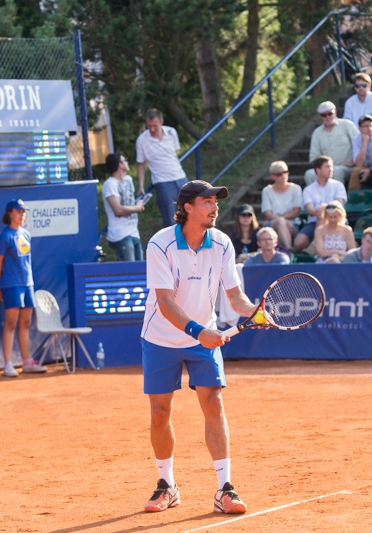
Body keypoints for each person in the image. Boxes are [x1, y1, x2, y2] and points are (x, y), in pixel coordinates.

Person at [141, 180, 256, 515]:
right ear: (187, 207)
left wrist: (251, 310)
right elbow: (165, 302)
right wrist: (199, 331)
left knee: (213, 405)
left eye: (215, 201)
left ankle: (225, 489)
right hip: (161, 338)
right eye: (207, 201)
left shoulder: (222, 243)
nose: (214, 206)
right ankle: (167, 485)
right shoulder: (160, 244)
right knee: (159, 413)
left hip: (202, 340)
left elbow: (234, 297)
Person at [0, 199, 48, 378]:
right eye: (19, 211)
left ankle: (27, 361)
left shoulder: (26, 234)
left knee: (25, 323)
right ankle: (8, 364)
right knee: (11, 323)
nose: (22, 214)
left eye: (23, 212)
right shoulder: (5, 237)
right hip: (11, 284)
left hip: (27, 284)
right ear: (10, 213)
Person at [136, 108, 188, 227]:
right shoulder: (142, 141)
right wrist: (141, 186)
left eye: (154, 126)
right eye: (149, 126)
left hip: (180, 177)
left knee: (189, 215)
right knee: (170, 220)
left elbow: (175, 153)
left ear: (161, 122)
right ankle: (172, 244)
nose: (152, 129)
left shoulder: (171, 132)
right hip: (162, 182)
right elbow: (140, 164)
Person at [294, 156, 348, 252]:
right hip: (313, 222)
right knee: (298, 243)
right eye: (327, 167)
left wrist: (325, 209)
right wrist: (316, 212)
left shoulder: (338, 185)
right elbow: (309, 208)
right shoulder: (308, 189)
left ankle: (313, 247)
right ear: (318, 170)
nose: (331, 169)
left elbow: (339, 204)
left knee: (325, 212)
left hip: (336, 221)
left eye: (331, 167)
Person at [102, 152, 145, 261]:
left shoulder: (128, 180)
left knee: (141, 272)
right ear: (120, 165)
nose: (127, 162)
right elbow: (118, 210)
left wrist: (138, 203)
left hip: (134, 232)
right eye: (125, 160)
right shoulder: (109, 184)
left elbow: (129, 202)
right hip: (120, 235)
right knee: (130, 273)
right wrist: (137, 208)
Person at [303, 101, 358, 186]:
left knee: (336, 171)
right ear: (319, 116)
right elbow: (314, 157)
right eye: (324, 115)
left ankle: (339, 198)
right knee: (309, 174)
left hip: (347, 167)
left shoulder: (347, 125)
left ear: (335, 112)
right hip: (325, 168)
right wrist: (323, 167)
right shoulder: (317, 133)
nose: (328, 117)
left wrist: (353, 162)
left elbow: (360, 144)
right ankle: (315, 198)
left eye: (330, 113)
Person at [261, 161, 302, 252]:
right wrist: (283, 221)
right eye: (279, 174)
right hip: (273, 223)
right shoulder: (267, 191)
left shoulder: (296, 189)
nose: (283, 175)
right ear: (273, 176)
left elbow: (296, 212)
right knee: (280, 221)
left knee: (281, 222)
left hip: (293, 224)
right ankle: (289, 249)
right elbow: (268, 213)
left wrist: (283, 221)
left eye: (285, 172)